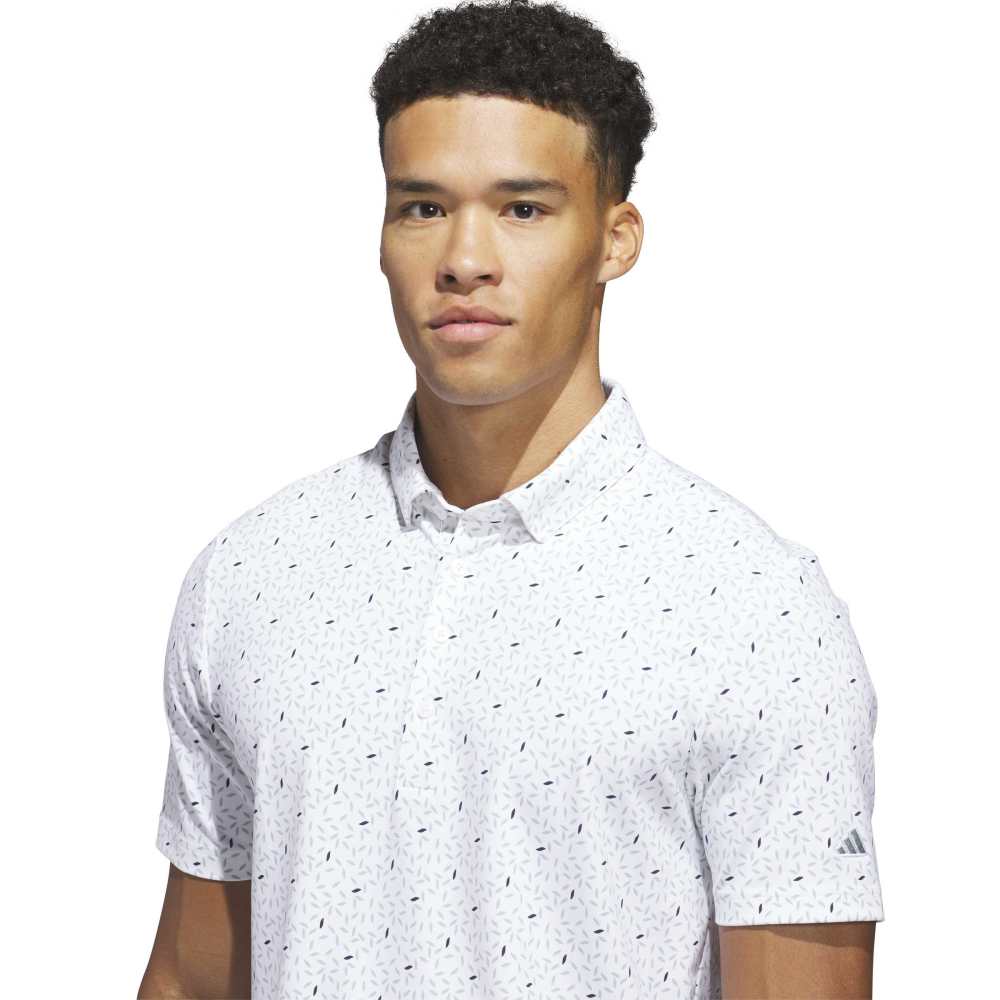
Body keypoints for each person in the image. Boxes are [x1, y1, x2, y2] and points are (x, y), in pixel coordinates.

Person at [138, 2, 885, 997]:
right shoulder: (252, 578)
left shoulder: (752, 610)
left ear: (615, 239)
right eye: (422, 206)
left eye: (522, 209)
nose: (464, 258)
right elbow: (191, 981)